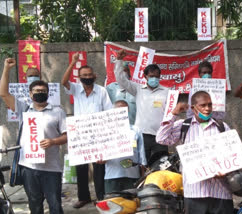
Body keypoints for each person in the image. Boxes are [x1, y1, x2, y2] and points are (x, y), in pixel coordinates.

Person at [0, 58, 67, 214]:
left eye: (43, 92)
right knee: (35, 205)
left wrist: (53, 141)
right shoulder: (24, 109)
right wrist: (6, 69)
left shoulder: (58, 111)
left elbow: (67, 135)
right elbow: (3, 93)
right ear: (30, 94)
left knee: (55, 205)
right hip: (29, 168)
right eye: (36, 92)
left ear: (48, 93)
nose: (39, 94)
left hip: (51, 168)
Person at [156, 91, 233, 214]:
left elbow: (233, 152)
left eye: (210, 105)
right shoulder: (183, 125)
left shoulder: (222, 126)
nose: (207, 109)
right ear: (193, 108)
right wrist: (173, 114)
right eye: (203, 105)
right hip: (195, 192)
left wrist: (228, 170)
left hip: (220, 191)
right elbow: (161, 138)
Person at [61, 52, 113, 208]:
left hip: (98, 133)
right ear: (79, 77)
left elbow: (109, 112)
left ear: (94, 76)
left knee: (99, 166)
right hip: (80, 134)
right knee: (81, 168)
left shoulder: (102, 91)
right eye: (84, 75)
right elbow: (64, 81)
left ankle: (100, 197)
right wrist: (73, 63)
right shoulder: (76, 89)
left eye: (90, 74)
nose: (87, 77)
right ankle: (83, 197)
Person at [114, 49, 168, 165]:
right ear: (145, 77)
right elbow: (121, 80)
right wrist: (119, 61)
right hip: (142, 135)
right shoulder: (138, 89)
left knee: (162, 167)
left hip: (161, 136)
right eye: (151, 76)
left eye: (157, 76)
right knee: (143, 166)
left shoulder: (167, 92)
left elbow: (170, 113)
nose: (154, 79)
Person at [98, 100, 147, 193]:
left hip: (132, 176)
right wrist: (100, 159)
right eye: (118, 111)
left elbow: (142, 155)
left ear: (128, 112)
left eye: (124, 111)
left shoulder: (135, 130)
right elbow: (100, 154)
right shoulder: (106, 132)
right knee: (113, 204)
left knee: (131, 204)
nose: (121, 114)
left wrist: (142, 174)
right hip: (112, 176)